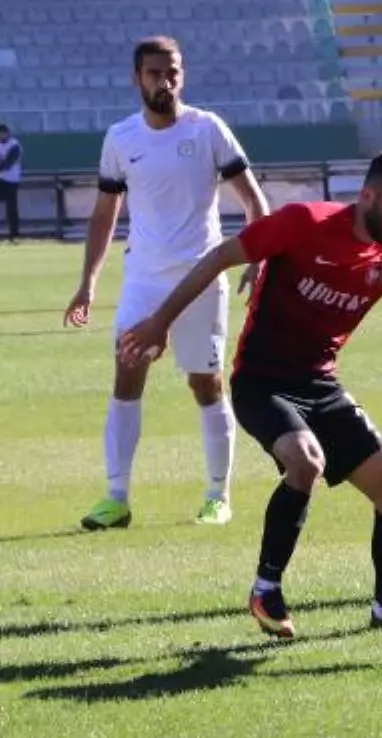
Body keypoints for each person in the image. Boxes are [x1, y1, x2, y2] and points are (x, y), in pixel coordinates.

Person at [119, 147, 382, 638]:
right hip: (261, 380)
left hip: (321, 383)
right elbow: (218, 258)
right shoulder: (302, 223)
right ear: (367, 195)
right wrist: (160, 322)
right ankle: (265, 588)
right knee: (305, 461)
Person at [63, 36, 269, 530]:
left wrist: (256, 259)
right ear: (137, 79)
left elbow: (254, 203)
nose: (165, 81)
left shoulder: (208, 129)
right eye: (155, 73)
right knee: (127, 371)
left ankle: (218, 496)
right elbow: (104, 214)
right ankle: (116, 498)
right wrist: (88, 282)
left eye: (172, 71)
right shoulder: (121, 139)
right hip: (143, 280)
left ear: (183, 74)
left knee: (205, 382)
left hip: (201, 277)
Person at [0, 124, 22, 242]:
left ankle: (14, 235)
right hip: (1, 179)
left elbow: (7, 164)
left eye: (3, 133)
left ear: (8, 133)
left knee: (11, 208)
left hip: (11, 180)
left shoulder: (14, 145)